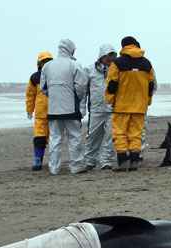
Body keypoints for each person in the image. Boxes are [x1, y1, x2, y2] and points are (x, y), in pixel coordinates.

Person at [105, 36, 156, 172]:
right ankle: (134, 161)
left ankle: (122, 162)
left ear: (123, 46)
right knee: (136, 134)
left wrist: (110, 100)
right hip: (140, 106)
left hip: (121, 106)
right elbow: (151, 85)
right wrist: (147, 101)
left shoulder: (117, 63)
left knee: (120, 133)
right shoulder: (147, 64)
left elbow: (112, 84)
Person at [40, 38, 89, 175]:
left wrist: (54, 96)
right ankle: (76, 165)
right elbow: (81, 86)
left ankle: (54, 168)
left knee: (55, 138)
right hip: (71, 108)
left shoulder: (47, 66)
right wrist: (77, 99)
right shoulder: (74, 65)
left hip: (53, 109)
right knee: (74, 137)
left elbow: (43, 88)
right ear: (71, 49)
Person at [83, 44, 117, 170]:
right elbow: (84, 90)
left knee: (110, 137)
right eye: (109, 56)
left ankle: (106, 161)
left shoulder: (117, 69)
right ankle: (90, 161)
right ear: (102, 56)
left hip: (113, 108)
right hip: (96, 109)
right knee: (93, 136)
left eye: (113, 56)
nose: (111, 59)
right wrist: (82, 108)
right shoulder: (89, 70)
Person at [25, 51, 53, 171]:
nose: (46, 63)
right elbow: (30, 95)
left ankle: (53, 160)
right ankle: (38, 160)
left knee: (54, 139)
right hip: (41, 114)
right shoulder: (35, 77)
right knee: (39, 138)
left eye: (48, 61)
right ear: (39, 63)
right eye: (44, 61)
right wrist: (29, 110)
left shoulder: (56, 76)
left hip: (55, 112)